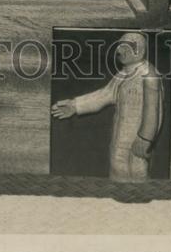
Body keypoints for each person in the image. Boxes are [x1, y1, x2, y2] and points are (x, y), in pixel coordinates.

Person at [51, 31, 164, 181]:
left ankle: (138, 200)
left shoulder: (149, 76)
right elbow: (104, 95)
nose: (118, 51)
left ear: (140, 51)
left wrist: (145, 138)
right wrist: (75, 105)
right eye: (119, 46)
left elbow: (153, 111)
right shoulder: (123, 74)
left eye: (125, 47)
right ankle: (119, 201)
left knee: (137, 170)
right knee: (118, 167)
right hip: (120, 135)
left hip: (138, 137)